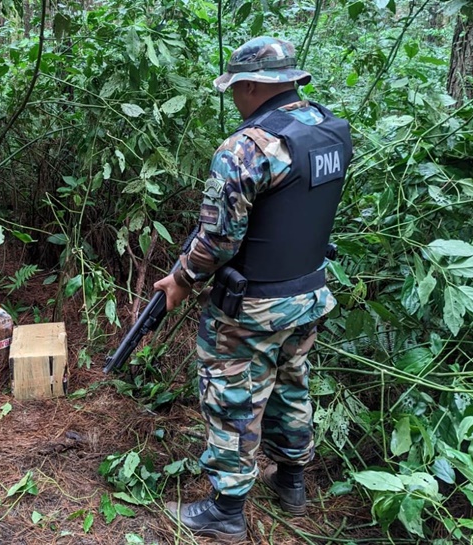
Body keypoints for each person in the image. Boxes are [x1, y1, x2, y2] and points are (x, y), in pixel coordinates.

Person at [153, 37, 352, 541]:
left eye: (235, 89)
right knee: (291, 384)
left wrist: (180, 280)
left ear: (249, 86)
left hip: (253, 306)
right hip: (309, 294)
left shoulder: (246, 148)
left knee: (231, 397)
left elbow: (218, 240)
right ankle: (291, 484)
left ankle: (226, 511)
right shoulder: (330, 131)